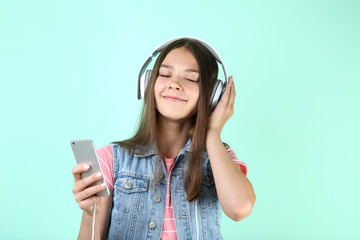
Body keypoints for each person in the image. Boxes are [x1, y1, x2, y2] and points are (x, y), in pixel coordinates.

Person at [72, 37, 256, 240]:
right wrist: (90, 213)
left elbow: (239, 209)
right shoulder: (110, 159)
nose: (174, 84)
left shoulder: (219, 157)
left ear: (213, 94)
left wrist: (211, 133)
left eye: (191, 79)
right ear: (148, 83)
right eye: (165, 74)